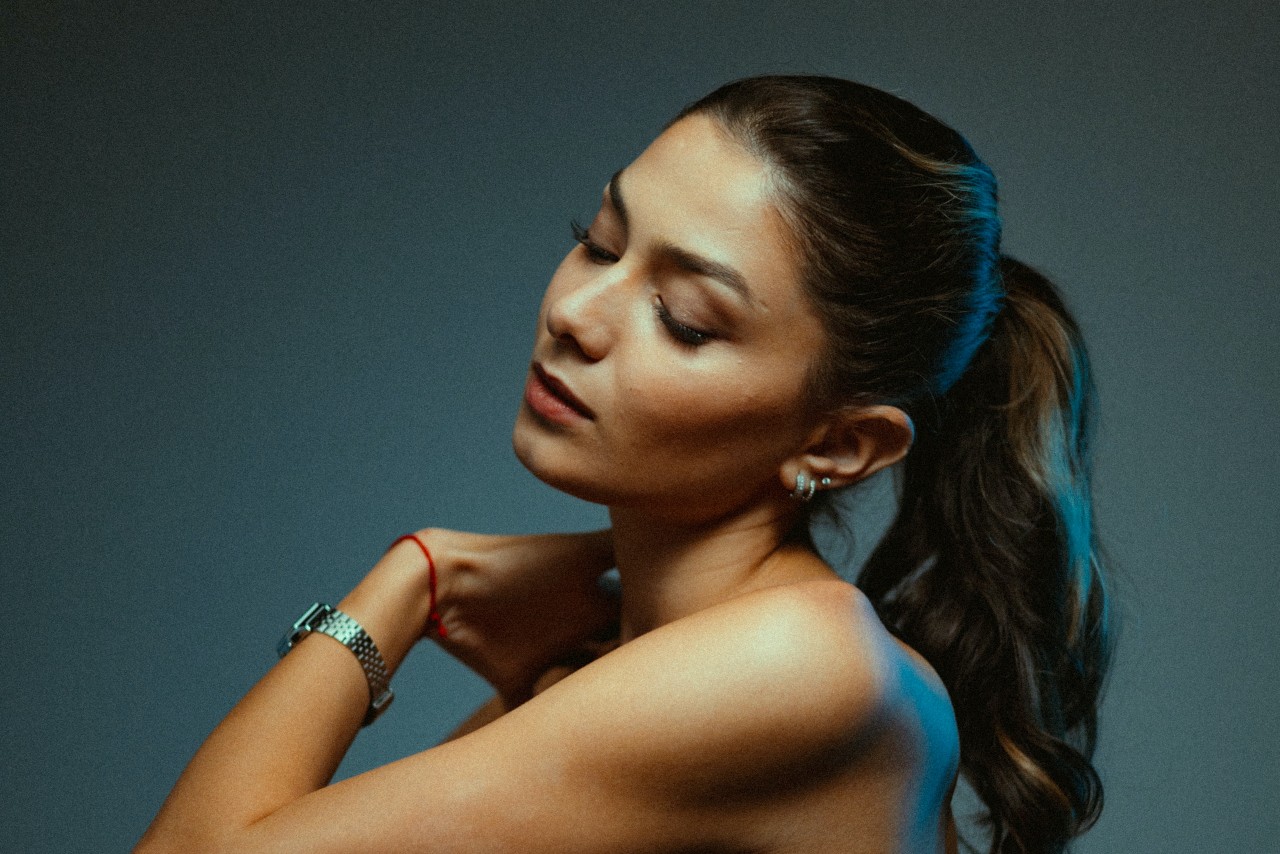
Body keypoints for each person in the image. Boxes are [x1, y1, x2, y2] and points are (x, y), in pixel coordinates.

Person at [137, 75, 1112, 854]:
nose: (574, 312)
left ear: (838, 444)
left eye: (684, 320)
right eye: (599, 243)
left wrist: (415, 580)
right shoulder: (608, 670)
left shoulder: (803, 663)